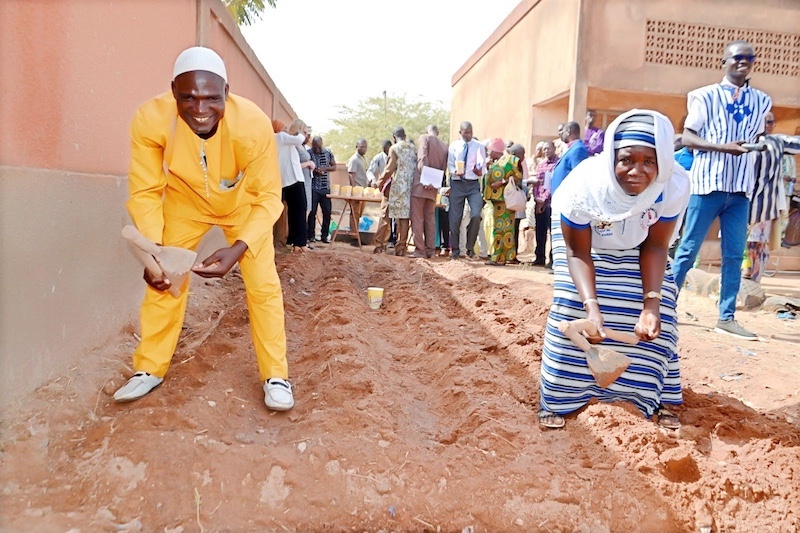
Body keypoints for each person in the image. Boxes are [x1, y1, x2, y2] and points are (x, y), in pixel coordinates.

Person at [115, 46, 294, 411]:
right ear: (173, 91)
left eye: (212, 98)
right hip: (186, 202)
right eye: (189, 97)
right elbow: (147, 190)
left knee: (263, 285)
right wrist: (155, 254)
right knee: (167, 284)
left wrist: (240, 247)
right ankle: (149, 368)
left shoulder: (253, 125)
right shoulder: (150, 119)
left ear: (226, 93)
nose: (200, 109)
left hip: (243, 207)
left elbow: (268, 196)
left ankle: (275, 375)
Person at [539, 109, 690, 430]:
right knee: (569, 304)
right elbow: (578, 251)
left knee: (662, 308)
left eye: (649, 161)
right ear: (611, 159)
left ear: (662, 161)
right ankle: (560, 397)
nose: (638, 170)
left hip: (642, 241)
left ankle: (650, 395)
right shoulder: (583, 188)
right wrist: (591, 309)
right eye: (627, 160)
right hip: (586, 241)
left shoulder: (672, 185)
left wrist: (651, 304)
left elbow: (656, 246)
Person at [672, 39, 772, 341]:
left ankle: (726, 317)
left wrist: (760, 146)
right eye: (736, 57)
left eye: (748, 58)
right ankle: (664, 307)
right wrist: (722, 148)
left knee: (733, 254)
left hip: (741, 188)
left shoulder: (762, 101)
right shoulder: (703, 96)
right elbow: (687, 138)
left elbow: (758, 135)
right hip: (708, 184)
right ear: (724, 62)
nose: (743, 62)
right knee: (688, 250)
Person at [743, 112, 800, 282]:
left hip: (765, 205)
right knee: (738, 243)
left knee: (759, 244)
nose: (767, 125)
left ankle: (753, 281)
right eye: (764, 122)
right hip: (739, 203)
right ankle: (737, 280)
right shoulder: (741, 139)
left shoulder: (777, 141)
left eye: (770, 122)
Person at [447, 121, 486, 260]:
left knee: (476, 214)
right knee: (455, 218)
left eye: (471, 132)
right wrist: (454, 171)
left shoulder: (479, 146)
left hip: (473, 184)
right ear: (460, 132)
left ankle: (470, 247)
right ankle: (456, 251)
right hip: (457, 183)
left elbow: (484, 167)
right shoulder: (454, 146)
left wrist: (479, 170)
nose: (469, 135)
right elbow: (450, 165)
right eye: (466, 132)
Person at [374, 127, 417, 256]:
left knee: (385, 215)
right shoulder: (413, 149)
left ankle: (379, 246)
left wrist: (379, 182)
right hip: (410, 188)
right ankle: (401, 248)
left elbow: (389, 169)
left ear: (394, 137)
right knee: (404, 218)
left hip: (396, 187)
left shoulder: (395, 148)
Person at [483, 138, 524, 265]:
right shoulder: (496, 162)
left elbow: (519, 177)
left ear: (495, 150)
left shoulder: (511, 160)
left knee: (501, 228)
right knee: (506, 228)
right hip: (498, 200)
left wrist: (502, 182)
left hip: (504, 199)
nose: (488, 153)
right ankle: (508, 256)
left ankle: (498, 258)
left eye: (490, 150)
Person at [274, 118, 312, 252]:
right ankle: (300, 243)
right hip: (294, 180)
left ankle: (295, 242)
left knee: (293, 212)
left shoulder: (279, 139)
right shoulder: (281, 137)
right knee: (300, 211)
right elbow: (299, 139)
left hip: (287, 180)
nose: (285, 129)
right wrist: (302, 133)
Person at [413, 124, 448, 258]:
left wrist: (426, 178)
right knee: (430, 219)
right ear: (437, 132)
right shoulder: (444, 146)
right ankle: (430, 250)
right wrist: (434, 183)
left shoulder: (424, 138)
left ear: (428, 131)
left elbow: (422, 159)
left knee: (417, 218)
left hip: (420, 185)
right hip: (434, 187)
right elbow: (444, 168)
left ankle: (420, 250)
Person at [532, 140, 559, 267]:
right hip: (539, 203)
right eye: (544, 149)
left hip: (550, 203)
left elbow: (551, 185)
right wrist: (537, 199)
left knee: (552, 231)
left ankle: (552, 258)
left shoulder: (557, 164)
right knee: (540, 231)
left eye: (548, 148)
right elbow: (537, 183)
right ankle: (539, 257)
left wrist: (543, 200)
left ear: (554, 149)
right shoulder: (541, 165)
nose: (546, 151)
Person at [307, 136, 337, 244]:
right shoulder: (308, 153)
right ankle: (311, 235)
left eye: (319, 148)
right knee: (312, 213)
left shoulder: (328, 152)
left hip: (325, 187)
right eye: (315, 148)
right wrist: (315, 170)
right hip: (313, 187)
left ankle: (324, 235)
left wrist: (324, 168)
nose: (317, 150)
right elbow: (306, 166)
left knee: (327, 212)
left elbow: (334, 167)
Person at [550, 122, 590, 195]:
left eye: (563, 131)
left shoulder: (578, 150)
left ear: (568, 132)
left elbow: (579, 177)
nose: (561, 134)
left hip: (567, 198)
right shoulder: (571, 148)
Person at [346, 139, 369, 246]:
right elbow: (351, 175)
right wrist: (353, 191)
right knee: (354, 214)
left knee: (358, 214)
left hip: (363, 191)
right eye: (361, 146)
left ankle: (357, 236)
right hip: (357, 191)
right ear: (356, 147)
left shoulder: (364, 159)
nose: (363, 148)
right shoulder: (354, 159)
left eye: (365, 146)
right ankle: (354, 238)